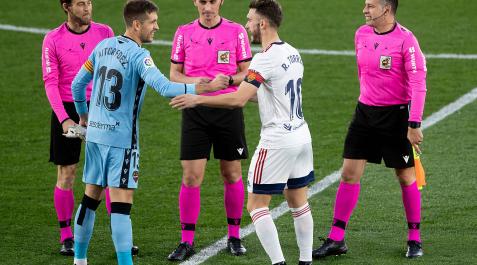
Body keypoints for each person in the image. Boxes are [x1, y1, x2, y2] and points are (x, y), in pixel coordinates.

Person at [70, 1, 224, 264]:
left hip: (95, 137)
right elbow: (164, 87)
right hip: (121, 142)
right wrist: (200, 89)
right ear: (137, 24)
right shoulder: (139, 56)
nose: (157, 27)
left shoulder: (102, 46)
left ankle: (79, 260)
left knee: (89, 199)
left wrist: (84, 116)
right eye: (152, 22)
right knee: (120, 207)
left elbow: (77, 85)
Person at [170, 1, 314, 264]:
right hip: (301, 135)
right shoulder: (293, 52)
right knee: (298, 201)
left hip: (278, 139)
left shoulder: (264, 58)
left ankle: (277, 262)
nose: (246, 25)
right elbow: (269, 94)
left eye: (250, 20)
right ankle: (305, 261)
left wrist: (197, 100)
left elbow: (238, 100)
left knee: (257, 206)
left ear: (262, 23)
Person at [312, 0, 427, 259]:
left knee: (405, 177)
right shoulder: (361, 34)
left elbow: (419, 83)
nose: (364, 10)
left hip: (396, 116)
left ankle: (414, 239)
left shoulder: (406, 41)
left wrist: (414, 124)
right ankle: (336, 239)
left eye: (370, 5)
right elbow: (363, 73)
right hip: (364, 113)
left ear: (386, 9)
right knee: (349, 174)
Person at [167, 0, 252, 261]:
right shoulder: (183, 32)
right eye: (202, 1)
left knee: (232, 172)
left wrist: (226, 80)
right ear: (195, 2)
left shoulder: (237, 31)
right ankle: (186, 241)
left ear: (220, 2)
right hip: (195, 109)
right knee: (192, 176)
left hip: (227, 108)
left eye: (212, 1)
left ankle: (234, 236)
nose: (207, 6)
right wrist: (201, 83)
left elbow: (246, 72)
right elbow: (174, 74)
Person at [41, 0, 114, 256]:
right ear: (66, 6)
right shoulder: (52, 39)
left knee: (109, 175)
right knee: (67, 173)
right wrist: (64, 119)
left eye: (90, 2)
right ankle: (66, 237)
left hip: (100, 108)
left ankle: (119, 234)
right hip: (67, 109)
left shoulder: (105, 33)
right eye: (81, 3)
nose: (87, 8)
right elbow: (51, 82)